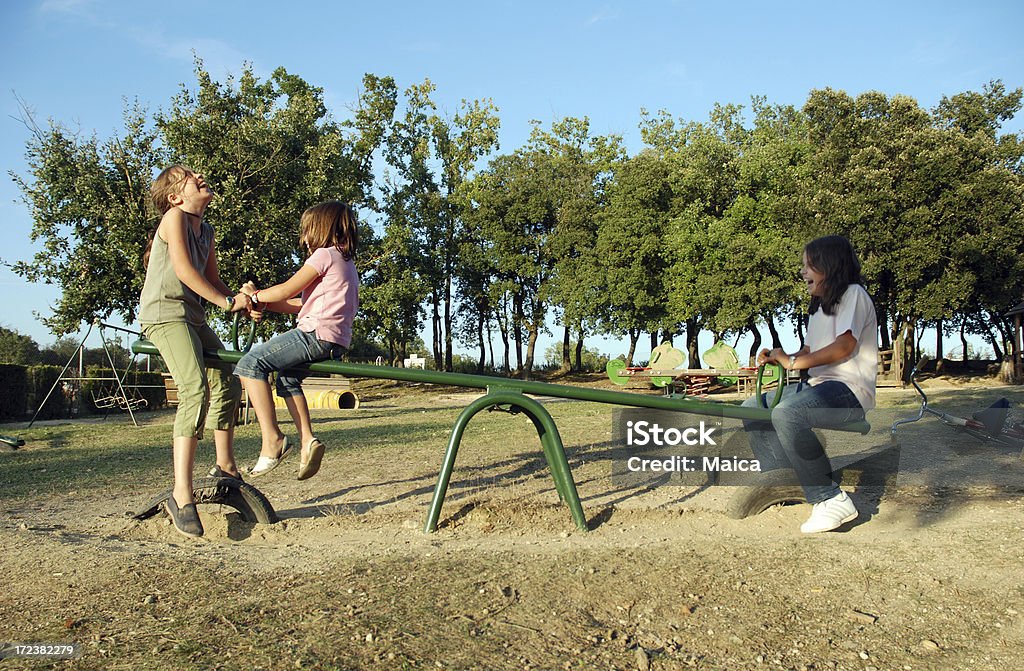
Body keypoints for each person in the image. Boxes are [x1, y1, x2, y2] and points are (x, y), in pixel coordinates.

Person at [139, 166, 253, 538]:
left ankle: (224, 465)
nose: (199, 175)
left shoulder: (207, 230)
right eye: (188, 176)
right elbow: (186, 272)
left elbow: (213, 277)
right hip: (165, 314)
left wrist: (239, 298)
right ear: (175, 197)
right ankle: (181, 493)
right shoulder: (174, 218)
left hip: (192, 316)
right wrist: (224, 302)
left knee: (228, 381)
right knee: (194, 390)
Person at [742, 235, 877, 533]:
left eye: (809, 265)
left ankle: (831, 498)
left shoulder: (853, 294)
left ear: (829, 266)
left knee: (787, 412)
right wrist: (781, 356)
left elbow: (843, 347)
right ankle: (782, 479)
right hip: (818, 386)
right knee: (752, 406)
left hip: (849, 390)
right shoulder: (819, 308)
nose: (803, 272)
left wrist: (793, 363)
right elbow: (806, 352)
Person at [235, 200, 359, 481]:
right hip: (335, 340)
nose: (303, 239)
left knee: (250, 363)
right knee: (287, 379)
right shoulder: (346, 263)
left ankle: (272, 440)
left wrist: (252, 297)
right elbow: (296, 303)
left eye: (306, 231)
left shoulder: (325, 255)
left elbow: (287, 288)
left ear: (320, 229)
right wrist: (264, 304)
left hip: (315, 334)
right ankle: (307, 441)